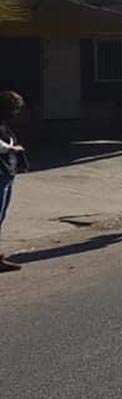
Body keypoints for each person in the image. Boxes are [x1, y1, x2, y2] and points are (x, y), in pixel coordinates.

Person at [0, 92, 28, 272]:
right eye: (15, 109)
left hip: (7, 173)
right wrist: (11, 148)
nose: (16, 113)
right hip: (1, 173)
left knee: (1, 216)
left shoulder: (5, 125)